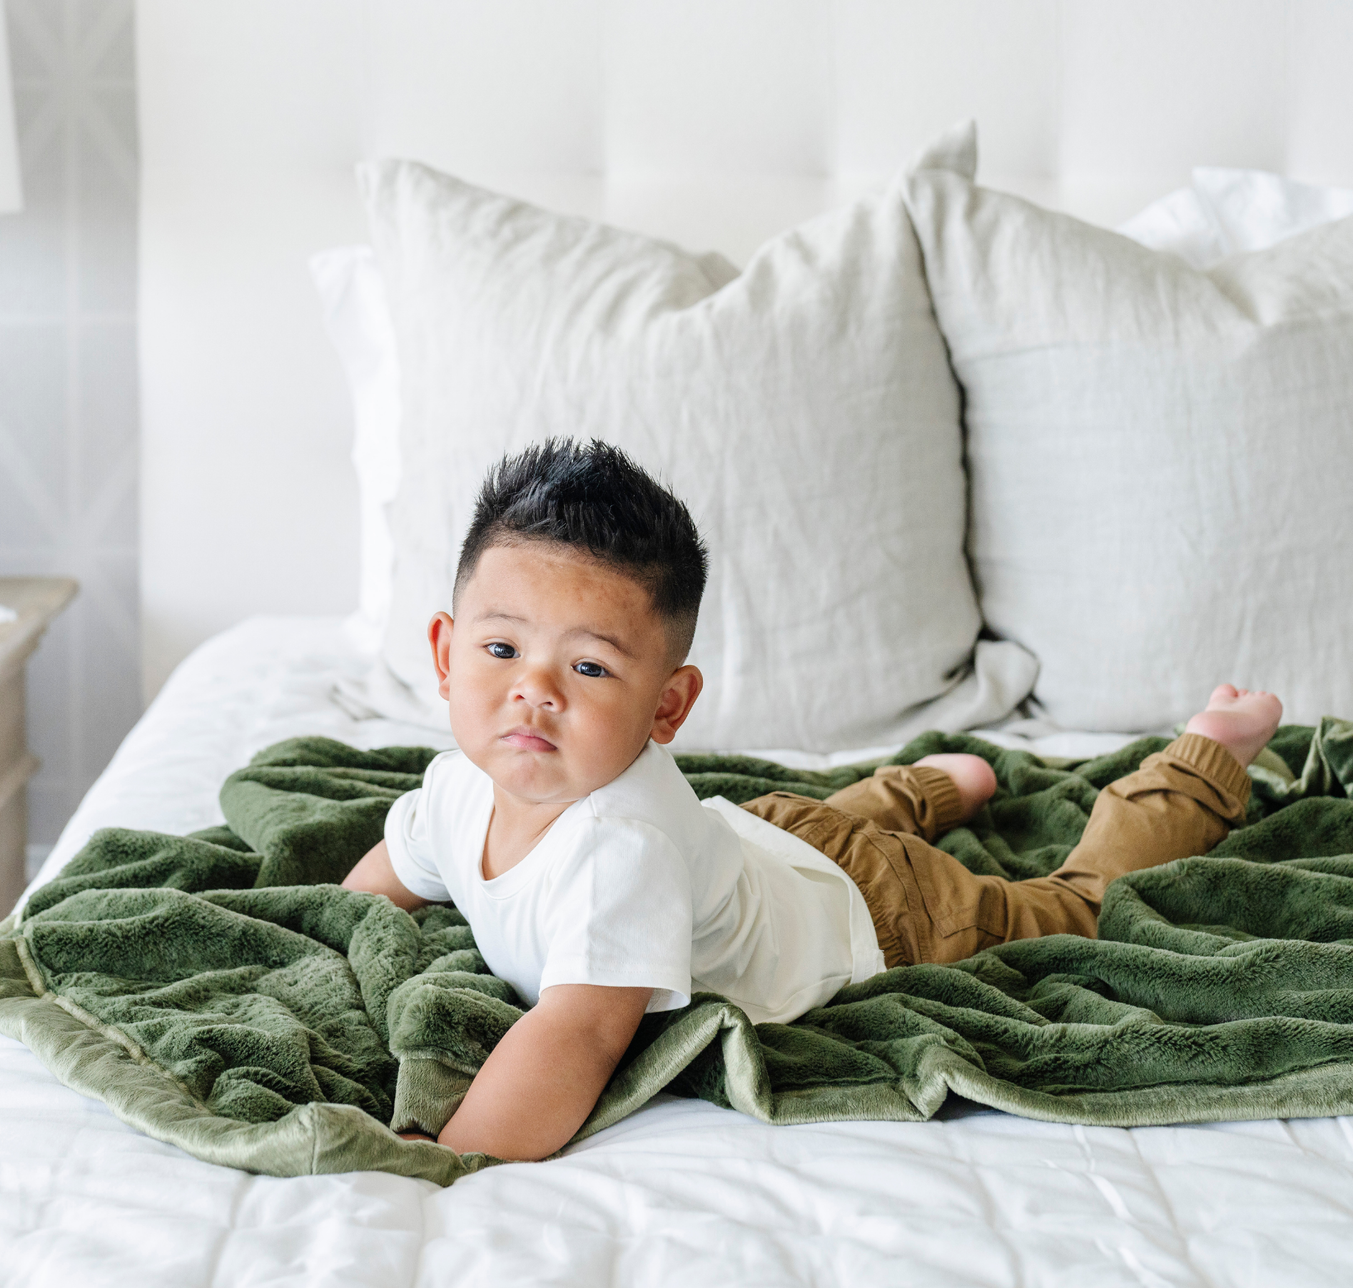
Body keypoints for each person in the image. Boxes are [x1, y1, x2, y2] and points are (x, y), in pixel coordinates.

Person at [343, 438, 1281, 1161]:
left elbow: (577, 1031)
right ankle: (927, 786)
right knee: (824, 818)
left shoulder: (615, 851)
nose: (534, 691)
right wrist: (333, 931)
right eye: (502, 649)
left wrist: (453, 1154)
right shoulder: (458, 784)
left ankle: (1202, 757)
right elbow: (380, 882)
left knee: (1065, 906)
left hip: (883, 912)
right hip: (766, 837)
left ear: (666, 705)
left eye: (588, 666)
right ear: (444, 653)